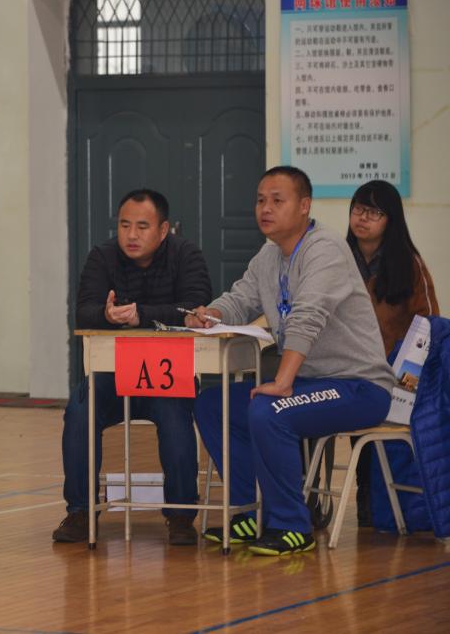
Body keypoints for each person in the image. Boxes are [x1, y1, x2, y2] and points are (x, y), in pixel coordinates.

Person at [187, 166, 394, 556]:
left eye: (277, 200)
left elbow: (307, 316)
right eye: (260, 200)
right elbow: (241, 298)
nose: (265, 208)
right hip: (310, 384)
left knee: (270, 411)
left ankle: (290, 524)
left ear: (304, 206)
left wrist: (282, 382)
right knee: (213, 405)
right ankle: (248, 512)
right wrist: (211, 313)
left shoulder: (325, 249)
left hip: (357, 386)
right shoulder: (269, 255)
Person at [52, 189, 212, 546]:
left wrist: (143, 315)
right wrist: (107, 315)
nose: (131, 235)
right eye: (124, 225)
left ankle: (181, 515)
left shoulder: (186, 255)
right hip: (114, 376)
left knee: (175, 416)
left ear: (163, 229)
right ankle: (80, 511)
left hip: (168, 375)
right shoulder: (102, 257)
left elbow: (195, 308)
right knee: (79, 409)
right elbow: (83, 312)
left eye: (142, 226)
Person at [346, 179, 440, 526]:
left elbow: (428, 325)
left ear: (391, 220)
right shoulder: (338, 259)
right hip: (347, 370)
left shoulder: (409, 265)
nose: (363, 218)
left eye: (374, 212)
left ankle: (383, 499)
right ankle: (357, 492)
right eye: (358, 209)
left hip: (396, 375)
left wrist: (407, 374)